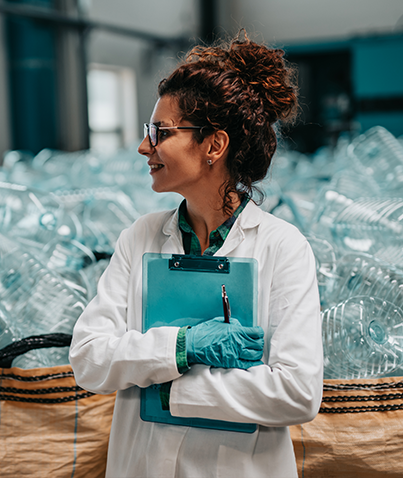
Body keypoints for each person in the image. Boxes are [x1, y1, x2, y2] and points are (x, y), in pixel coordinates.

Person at [70, 31, 323, 478]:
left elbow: (296, 391)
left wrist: (168, 389)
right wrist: (183, 347)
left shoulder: (282, 248)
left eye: (161, 133)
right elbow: (89, 359)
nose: (145, 147)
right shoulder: (141, 236)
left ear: (213, 145)